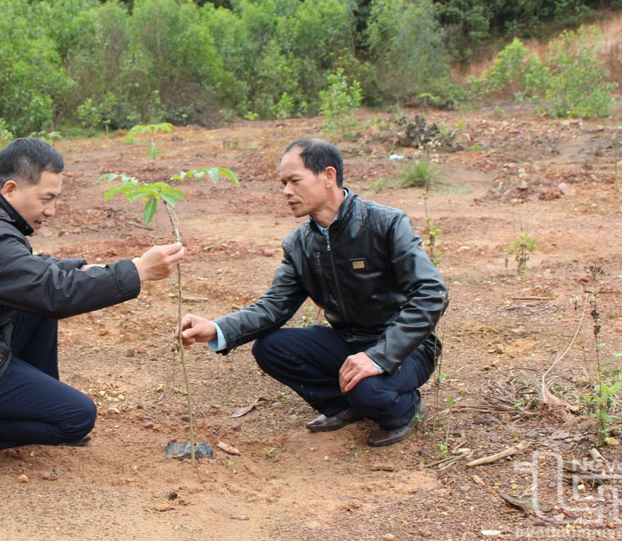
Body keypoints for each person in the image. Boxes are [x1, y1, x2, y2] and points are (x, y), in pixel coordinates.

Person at [0, 137, 184, 475]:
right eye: (46, 199)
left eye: (55, 199)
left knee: (35, 305)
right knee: (77, 418)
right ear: (11, 188)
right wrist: (137, 271)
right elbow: (52, 292)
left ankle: (31, 407)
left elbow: (26, 272)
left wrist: (77, 268)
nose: (51, 211)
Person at [179, 138, 447, 446]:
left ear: (328, 177)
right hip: (348, 342)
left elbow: (432, 293)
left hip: (407, 347)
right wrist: (216, 328)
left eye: (294, 181)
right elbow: (273, 307)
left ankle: (405, 407)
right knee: (271, 348)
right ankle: (347, 405)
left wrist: (380, 357)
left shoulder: (385, 224)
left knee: (368, 389)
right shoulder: (300, 245)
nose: (286, 191)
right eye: (283, 183)